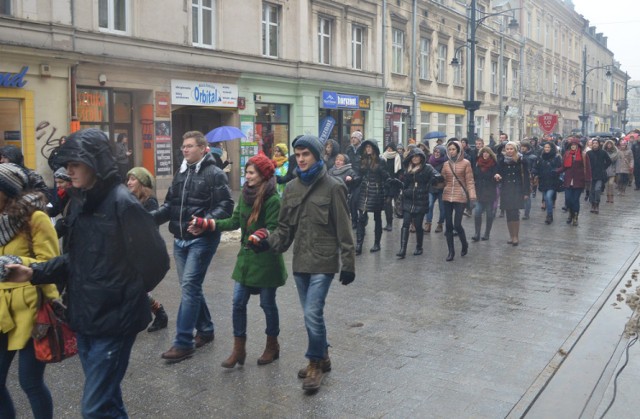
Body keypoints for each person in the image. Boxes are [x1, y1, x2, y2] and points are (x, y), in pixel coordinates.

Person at [6, 128, 170, 418]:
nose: (69, 170)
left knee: (93, 408)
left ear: (96, 163)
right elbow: (77, 259)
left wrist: (123, 294)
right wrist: (33, 272)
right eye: (67, 165)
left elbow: (156, 262)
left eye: (75, 164)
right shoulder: (79, 202)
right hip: (85, 317)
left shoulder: (124, 203)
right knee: (108, 401)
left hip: (115, 322)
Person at [247, 135, 355, 393]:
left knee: (312, 313)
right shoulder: (292, 188)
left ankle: (315, 363)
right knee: (311, 314)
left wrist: (348, 263)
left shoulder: (334, 187)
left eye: (306, 154)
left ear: (318, 156)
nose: (301, 159)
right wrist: (267, 243)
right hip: (301, 262)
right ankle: (324, 357)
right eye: (298, 155)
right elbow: (284, 229)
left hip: (325, 261)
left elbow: (345, 228)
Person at [190, 155, 287, 369]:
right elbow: (234, 221)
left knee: (267, 304)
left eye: (252, 173)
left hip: (266, 260)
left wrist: (261, 235)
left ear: (263, 175)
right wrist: (207, 223)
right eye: (247, 172)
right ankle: (239, 349)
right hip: (245, 260)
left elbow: (274, 228)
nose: (247, 176)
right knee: (237, 303)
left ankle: (272, 345)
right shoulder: (245, 196)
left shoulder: (273, 199)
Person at [152, 130, 234, 363]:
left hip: (202, 239)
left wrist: (206, 221)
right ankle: (205, 329)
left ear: (202, 148)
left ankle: (183, 342)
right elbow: (169, 205)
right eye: (183, 146)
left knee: (189, 286)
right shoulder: (181, 173)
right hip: (180, 239)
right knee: (191, 287)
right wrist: (146, 219)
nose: (185, 149)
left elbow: (226, 206)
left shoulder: (214, 173)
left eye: (189, 146)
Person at [0, 163, 59, 419]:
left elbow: (51, 265)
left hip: (31, 311)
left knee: (29, 382)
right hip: (2, 313)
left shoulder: (35, 218)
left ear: (7, 190)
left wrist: (16, 262)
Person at [127, 167, 169, 333]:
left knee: (136, 287)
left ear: (143, 183)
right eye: (128, 179)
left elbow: (147, 227)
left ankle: (158, 312)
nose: (129, 182)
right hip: (130, 250)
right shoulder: (129, 199)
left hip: (145, 252)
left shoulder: (149, 201)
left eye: (133, 179)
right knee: (134, 287)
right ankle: (158, 312)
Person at [396, 147, 441, 258]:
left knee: (418, 225)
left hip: (421, 200)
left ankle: (419, 246)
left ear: (421, 158)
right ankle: (403, 249)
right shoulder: (408, 168)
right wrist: (399, 185)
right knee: (405, 224)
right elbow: (404, 183)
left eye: (417, 156)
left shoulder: (427, 168)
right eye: (413, 156)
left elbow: (437, 176)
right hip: (408, 199)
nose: (415, 158)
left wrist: (435, 178)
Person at [441, 141, 476, 261]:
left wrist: (472, 197)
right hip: (447, 196)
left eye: (453, 149)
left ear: (459, 150)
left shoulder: (466, 163)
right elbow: (443, 180)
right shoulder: (446, 164)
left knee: (457, 224)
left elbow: (470, 181)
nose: (451, 151)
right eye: (449, 149)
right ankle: (451, 251)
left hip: (460, 196)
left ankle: (464, 243)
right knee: (449, 225)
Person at [355, 140, 389, 254]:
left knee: (377, 218)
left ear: (374, 148)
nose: (368, 149)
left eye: (370, 147)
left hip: (377, 192)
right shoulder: (363, 160)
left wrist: (387, 193)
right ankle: (359, 244)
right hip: (364, 191)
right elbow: (359, 175)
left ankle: (377, 243)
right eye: (366, 147)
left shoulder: (381, 161)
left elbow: (386, 177)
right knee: (361, 219)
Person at [559, 136, 591, 226]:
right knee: (568, 199)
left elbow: (587, 168)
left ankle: (575, 217)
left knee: (575, 200)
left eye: (575, 145)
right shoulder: (567, 154)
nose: (573, 146)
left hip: (579, 181)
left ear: (578, 146)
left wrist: (587, 179)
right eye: (572, 145)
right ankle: (570, 213)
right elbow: (563, 167)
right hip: (568, 181)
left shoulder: (583, 155)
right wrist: (556, 171)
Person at [472, 146, 498, 241]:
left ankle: (487, 233)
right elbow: (474, 176)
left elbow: (496, 177)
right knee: (477, 212)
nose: (485, 154)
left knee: (489, 214)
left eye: (487, 152)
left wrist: (496, 177)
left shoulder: (494, 164)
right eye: (483, 152)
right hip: (479, 191)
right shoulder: (477, 163)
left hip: (489, 192)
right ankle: (477, 233)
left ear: (490, 154)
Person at [533, 142, 562, 224]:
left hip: (552, 181)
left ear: (552, 148)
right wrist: (535, 172)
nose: (546, 149)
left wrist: (555, 172)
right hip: (543, 180)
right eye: (545, 147)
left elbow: (560, 168)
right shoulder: (541, 157)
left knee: (549, 197)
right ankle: (549, 214)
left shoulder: (556, 157)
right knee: (546, 198)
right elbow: (536, 167)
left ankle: (549, 215)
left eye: (548, 147)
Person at [425, 144, 447, 233]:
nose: (436, 154)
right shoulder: (429, 161)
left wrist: (440, 177)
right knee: (429, 205)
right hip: (431, 187)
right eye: (435, 152)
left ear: (442, 153)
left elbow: (446, 176)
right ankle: (428, 223)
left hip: (441, 188)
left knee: (442, 208)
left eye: (439, 152)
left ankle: (440, 224)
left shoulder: (446, 162)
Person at [585, 139, 611, 214]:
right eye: (593, 143)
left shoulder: (603, 152)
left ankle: (597, 204)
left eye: (596, 143)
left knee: (597, 189)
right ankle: (592, 204)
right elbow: (586, 163)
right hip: (591, 175)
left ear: (599, 144)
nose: (595, 144)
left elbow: (609, 161)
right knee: (591, 190)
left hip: (600, 175)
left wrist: (603, 168)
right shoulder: (588, 153)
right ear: (591, 145)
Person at [382, 142, 402, 231]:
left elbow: (401, 171)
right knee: (387, 202)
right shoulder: (383, 157)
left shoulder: (398, 157)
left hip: (395, 183)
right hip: (386, 183)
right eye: (387, 148)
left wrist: (399, 180)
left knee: (395, 201)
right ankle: (389, 223)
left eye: (390, 148)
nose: (389, 150)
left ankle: (398, 216)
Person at [519, 141, 538, 220]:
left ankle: (526, 214)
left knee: (527, 196)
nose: (522, 148)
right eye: (521, 146)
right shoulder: (519, 156)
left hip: (529, 177)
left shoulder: (533, 157)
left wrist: (531, 172)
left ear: (528, 147)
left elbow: (535, 168)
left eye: (524, 146)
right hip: (519, 177)